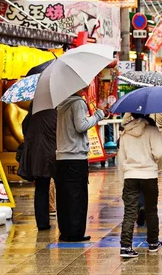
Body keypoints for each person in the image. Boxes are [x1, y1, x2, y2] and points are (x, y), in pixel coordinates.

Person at [55, 89, 105, 242]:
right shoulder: (77, 102)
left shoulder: (61, 103)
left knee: (64, 197)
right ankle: (75, 232)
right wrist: (97, 116)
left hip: (62, 157)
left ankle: (65, 231)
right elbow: (81, 126)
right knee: (77, 197)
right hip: (75, 156)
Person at [118, 113, 162, 258]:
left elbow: (121, 159)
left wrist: (123, 179)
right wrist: (155, 163)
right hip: (149, 175)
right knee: (151, 209)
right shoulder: (153, 130)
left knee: (130, 211)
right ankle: (153, 242)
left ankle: (125, 246)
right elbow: (160, 152)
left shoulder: (125, 133)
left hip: (130, 176)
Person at [20, 103, 57, 230]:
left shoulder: (35, 104)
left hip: (37, 152)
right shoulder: (58, 106)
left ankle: (42, 223)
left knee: (41, 188)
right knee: (62, 188)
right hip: (55, 152)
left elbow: (25, 125)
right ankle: (64, 223)